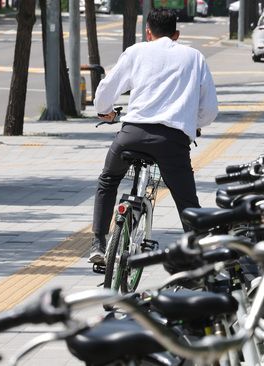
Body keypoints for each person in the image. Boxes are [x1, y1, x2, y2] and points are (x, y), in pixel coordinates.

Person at [89, 9, 218, 263]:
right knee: (186, 199)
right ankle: (197, 256)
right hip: (172, 141)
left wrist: (104, 112)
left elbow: (106, 91)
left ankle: (98, 242)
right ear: (177, 34)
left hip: (132, 134)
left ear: (148, 32)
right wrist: (193, 125)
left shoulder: (136, 52)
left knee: (108, 179)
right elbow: (210, 109)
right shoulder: (194, 57)